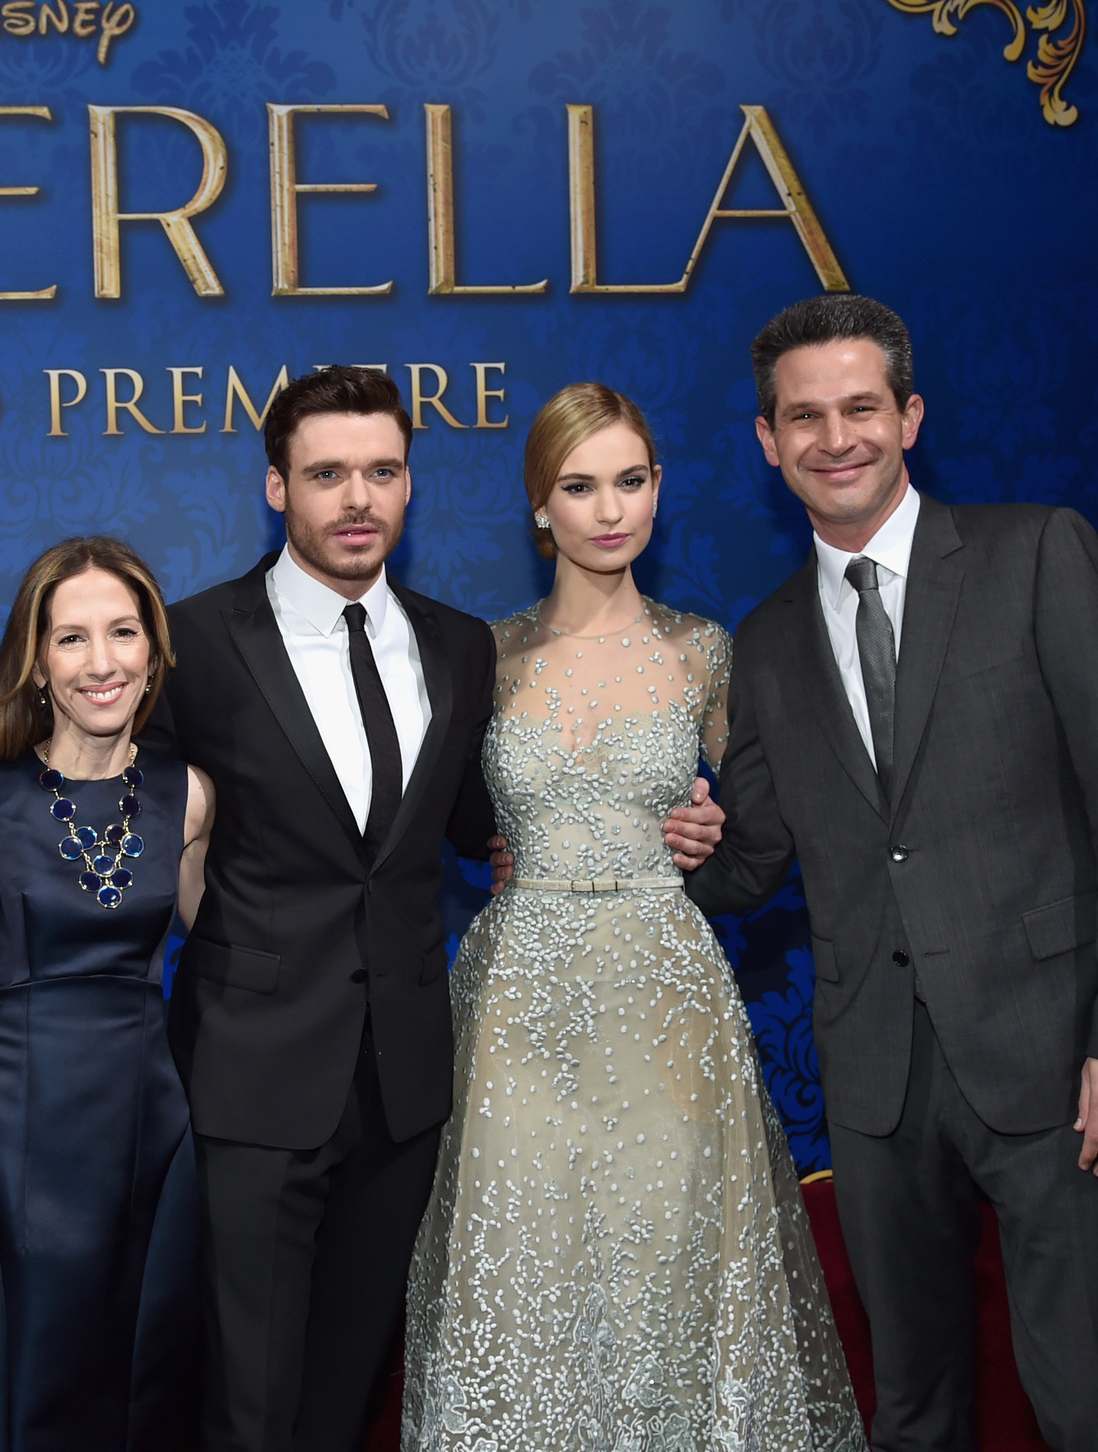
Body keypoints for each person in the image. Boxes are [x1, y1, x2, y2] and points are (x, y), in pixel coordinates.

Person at [139, 366, 724, 1452]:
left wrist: (670, 822)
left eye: (381, 471)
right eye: (326, 474)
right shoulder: (191, 645)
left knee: (344, 1385)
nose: (356, 498)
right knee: (245, 1397)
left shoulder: (459, 647)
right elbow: (139, 832)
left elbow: (484, 826)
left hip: (409, 1083)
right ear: (276, 488)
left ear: (410, 485)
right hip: (253, 1073)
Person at [685, 295, 1098, 1452]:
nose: (834, 438)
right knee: (913, 1408)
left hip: (1062, 1062)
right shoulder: (762, 641)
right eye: (801, 417)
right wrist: (631, 845)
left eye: (859, 407)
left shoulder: (1036, 554)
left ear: (907, 416)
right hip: (874, 1084)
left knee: (1093, 1403)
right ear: (766, 442)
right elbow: (755, 859)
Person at [400, 382, 864, 1451]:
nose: (607, 510)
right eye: (578, 486)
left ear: (657, 490)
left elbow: (770, 823)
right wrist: (482, 845)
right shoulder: (484, 655)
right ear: (537, 508)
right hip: (518, 1001)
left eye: (628, 481)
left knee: (671, 1274)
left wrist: (709, 834)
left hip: (665, 1000)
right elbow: (426, 813)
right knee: (523, 1279)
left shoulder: (705, 650)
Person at [0, 537, 214, 1451]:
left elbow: (231, 943)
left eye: (123, 633)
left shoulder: (189, 799)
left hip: (142, 1139)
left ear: (153, 652)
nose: (101, 662)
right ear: (35, 660)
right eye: (71, 639)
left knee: (131, 1394)